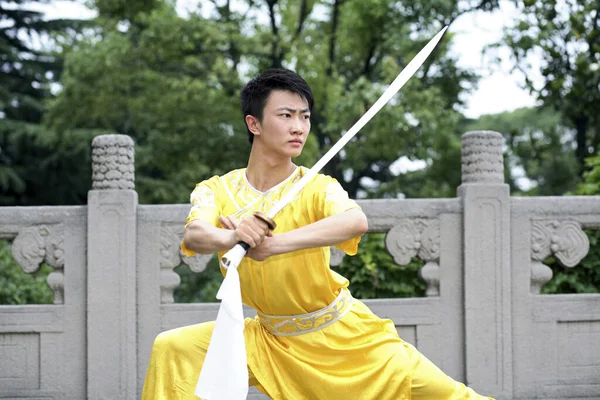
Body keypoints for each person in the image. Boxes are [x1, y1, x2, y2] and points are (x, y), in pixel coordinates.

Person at [141, 68, 494, 400]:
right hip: (270, 339)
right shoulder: (218, 190)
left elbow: (354, 222)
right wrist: (231, 238)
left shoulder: (317, 187)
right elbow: (195, 236)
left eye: (305, 116)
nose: (299, 127)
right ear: (254, 123)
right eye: (286, 115)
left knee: (449, 395)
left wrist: (273, 245)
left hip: (342, 337)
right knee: (173, 349)